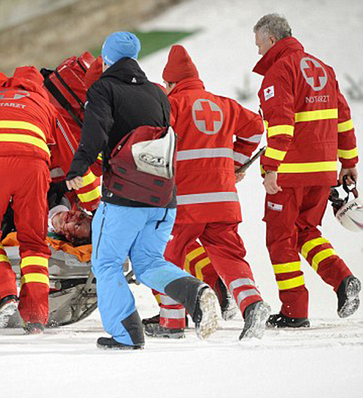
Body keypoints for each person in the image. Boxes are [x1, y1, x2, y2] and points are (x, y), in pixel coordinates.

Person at [66, 32, 220, 350]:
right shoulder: (157, 93)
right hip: (164, 197)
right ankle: (196, 293)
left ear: (107, 58)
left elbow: (95, 131)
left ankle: (126, 334)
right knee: (148, 262)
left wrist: (78, 169)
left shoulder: (103, 88)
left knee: (106, 263)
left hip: (125, 196)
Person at [147, 45, 270, 340]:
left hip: (185, 202)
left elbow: (155, 144)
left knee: (165, 257)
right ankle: (252, 304)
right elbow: (255, 128)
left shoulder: (171, 106)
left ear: (171, 83)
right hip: (223, 200)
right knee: (230, 257)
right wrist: (235, 163)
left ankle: (172, 322)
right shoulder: (224, 104)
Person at [252, 14, 360, 327]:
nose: (258, 52)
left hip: (291, 170)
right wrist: (348, 162)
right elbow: (343, 118)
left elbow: (282, 123)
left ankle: (294, 311)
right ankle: (342, 280)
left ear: (271, 39)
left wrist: (271, 167)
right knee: (305, 231)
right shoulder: (323, 68)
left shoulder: (279, 71)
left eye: (259, 44)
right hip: (324, 170)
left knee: (280, 239)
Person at [0, 67, 60, 333]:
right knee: (34, 243)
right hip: (34, 169)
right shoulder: (44, 102)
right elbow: (58, 148)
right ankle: (36, 316)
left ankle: (5, 296)